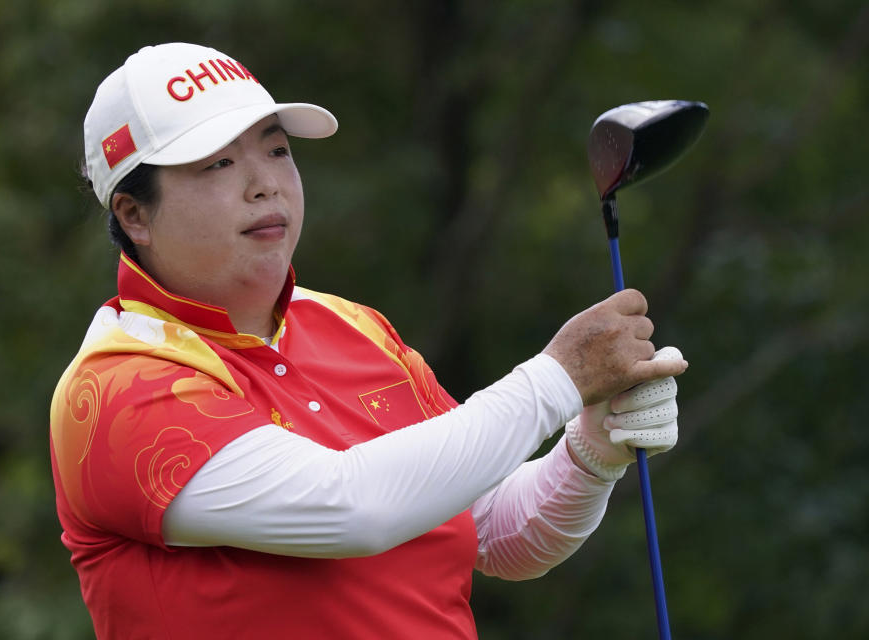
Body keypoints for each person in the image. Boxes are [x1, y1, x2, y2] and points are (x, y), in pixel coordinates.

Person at [50, 42, 688, 639]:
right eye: (218, 162)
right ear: (134, 215)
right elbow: (352, 507)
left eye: (275, 151)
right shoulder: (114, 388)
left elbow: (490, 530)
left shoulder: (352, 326)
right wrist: (557, 378)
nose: (265, 183)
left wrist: (590, 451)